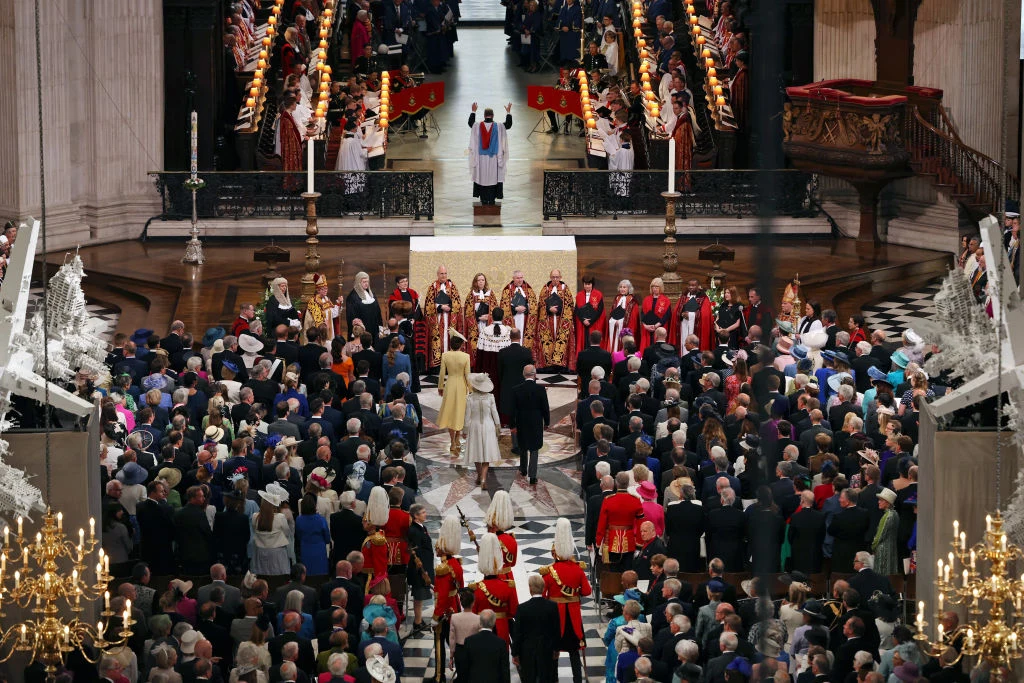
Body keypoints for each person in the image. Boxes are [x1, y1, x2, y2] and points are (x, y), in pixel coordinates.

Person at [541, 518, 593, 683]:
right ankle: (577, 679)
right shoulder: (577, 569)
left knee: (554, 651)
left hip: (555, 617)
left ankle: (554, 679)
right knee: (574, 651)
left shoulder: (549, 572)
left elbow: (543, 596)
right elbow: (586, 591)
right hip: (573, 617)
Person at [430, 516, 465, 682]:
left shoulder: (444, 568)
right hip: (455, 608)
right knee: (456, 643)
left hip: (445, 611)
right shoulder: (456, 564)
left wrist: (436, 616)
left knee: (439, 643)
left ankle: (439, 676)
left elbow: (443, 596)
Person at [468, 535, 518, 647]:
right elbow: (513, 612)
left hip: (482, 631)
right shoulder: (507, 586)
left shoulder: (476, 589)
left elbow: (473, 614)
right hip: (502, 629)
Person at [513, 575, 560, 683]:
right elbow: (556, 630)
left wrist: (515, 653)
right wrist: (556, 649)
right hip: (547, 649)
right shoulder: (552, 606)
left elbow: (518, 634)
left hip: (527, 652)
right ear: (543, 588)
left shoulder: (522, 608)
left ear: (530, 588)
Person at [510, 365, 550, 485]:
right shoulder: (541, 390)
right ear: (535, 374)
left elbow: (513, 410)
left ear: (523, 374)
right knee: (534, 448)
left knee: (523, 445)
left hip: (521, 421)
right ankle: (533, 476)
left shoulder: (516, 389)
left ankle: (523, 470)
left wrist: (512, 425)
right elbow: (545, 408)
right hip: (536, 422)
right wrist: (547, 422)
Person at [468, 103, 513, 205]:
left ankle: (483, 199)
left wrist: (473, 111)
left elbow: (470, 122)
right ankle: (492, 199)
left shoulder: (477, 126)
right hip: (494, 157)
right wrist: (508, 112)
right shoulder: (499, 126)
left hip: (481, 157)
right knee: (493, 177)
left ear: (484, 115)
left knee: (483, 177)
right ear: (493, 115)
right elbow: (509, 124)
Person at [464, 373, 502, 488]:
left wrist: (465, 430)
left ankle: (480, 476)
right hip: (488, 426)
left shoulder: (470, 398)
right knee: (486, 455)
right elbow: (494, 413)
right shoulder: (490, 397)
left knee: (476, 452)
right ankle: (483, 480)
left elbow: (467, 416)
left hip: (474, 427)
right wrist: (498, 426)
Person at [438, 329, 471, 456]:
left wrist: (440, 387)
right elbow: (467, 375)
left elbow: (442, 373)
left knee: (450, 412)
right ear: (461, 345)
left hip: (450, 384)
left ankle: (452, 441)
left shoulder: (445, 355)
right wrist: (471, 389)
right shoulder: (466, 356)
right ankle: (457, 437)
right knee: (459, 412)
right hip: (462, 386)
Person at [534, 269, 576, 371]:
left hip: (561, 321)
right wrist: (549, 309)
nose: (555, 279)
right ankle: (548, 365)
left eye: (557, 277)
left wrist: (559, 310)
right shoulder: (545, 289)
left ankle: (561, 365)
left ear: (561, 277)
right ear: (550, 277)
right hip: (548, 321)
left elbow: (570, 305)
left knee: (561, 341)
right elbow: (540, 305)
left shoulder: (565, 289)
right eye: (553, 277)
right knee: (548, 342)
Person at [425, 266, 463, 371]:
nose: (444, 275)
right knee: (438, 340)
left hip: (450, 318)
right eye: (442, 273)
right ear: (437, 274)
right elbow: (428, 305)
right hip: (437, 318)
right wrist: (440, 307)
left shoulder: (452, 286)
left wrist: (450, 308)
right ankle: (438, 366)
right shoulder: (432, 287)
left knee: (449, 338)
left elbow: (457, 303)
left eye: (445, 273)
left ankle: (450, 364)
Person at [463, 610, 511, 683]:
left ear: (480, 622)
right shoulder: (501, 643)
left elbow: (465, 668)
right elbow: (505, 670)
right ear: (494, 623)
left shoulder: (469, 641)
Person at [463, 273, 499, 366]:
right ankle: (475, 364)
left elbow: (495, 309)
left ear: (485, 281)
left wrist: (489, 317)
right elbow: (468, 312)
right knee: (477, 344)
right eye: (479, 280)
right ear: (475, 282)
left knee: (487, 343)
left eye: (483, 280)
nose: (481, 282)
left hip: (487, 324)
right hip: (476, 324)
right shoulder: (471, 295)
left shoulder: (490, 294)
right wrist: (478, 318)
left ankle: (487, 364)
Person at [499, 271, 538, 352]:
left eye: (521, 278)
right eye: (517, 278)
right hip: (513, 318)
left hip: (525, 319)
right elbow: (503, 306)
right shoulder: (507, 289)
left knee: (524, 337)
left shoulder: (529, 289)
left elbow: (534, 305)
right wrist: (515, 309)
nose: (520, 280)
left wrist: (525, 308)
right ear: (513, 279)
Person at [673, 279, 714, 351]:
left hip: (696, 327)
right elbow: (676, 310)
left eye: (693, 285)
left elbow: (705, 315)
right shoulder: (684, 297)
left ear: (698, 286)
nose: (691, 287)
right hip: (684, 325)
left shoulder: (703, 298)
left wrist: (691, 315)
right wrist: (681, 313)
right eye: (689, 285)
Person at [304, 273, 343, 343]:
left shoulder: (326, 299)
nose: (325, 290)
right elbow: (314, 319)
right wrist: (324, 325)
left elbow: (333, 314)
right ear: (318, 290)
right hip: (319, 331)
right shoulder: (313, 302)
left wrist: (339, 303)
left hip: (329, 330)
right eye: (323, 289)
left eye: (326, 288)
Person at [346, 272, 383, 340]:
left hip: (374, 329)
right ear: (358, 282)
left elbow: (378, 311)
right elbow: (351, 316)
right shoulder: (352, 297)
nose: (366, 284)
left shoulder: (372, 294)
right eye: (364, 282)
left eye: (367, 281)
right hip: (362, 331)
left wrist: (380, 325)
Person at [639, 278, 673, 354]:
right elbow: (642, 314)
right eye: (653, 287)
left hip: (660, 327)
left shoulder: (665, 300)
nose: (654, 289)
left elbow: (667, 315)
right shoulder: (646, 299)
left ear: (661, 287)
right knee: (647, 349)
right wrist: (645, 325)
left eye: (657, 287)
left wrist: (657, 325)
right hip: (647, 328)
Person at [871, 488, 900, 575]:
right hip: (892, 549)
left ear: (887, 502)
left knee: (881, 575)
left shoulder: (887, 516)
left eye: (881, 500)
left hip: (883, 552)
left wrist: (873, 547)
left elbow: (879, 536)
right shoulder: (895, 514)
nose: (878, 502)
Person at [575, 276, 608, 353]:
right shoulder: (579, 295)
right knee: (584, 342)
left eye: (589, 284)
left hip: (594, 323)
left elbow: (600, 310)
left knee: (592, 341)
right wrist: (583, 320)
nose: (587, 286)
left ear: (592, 284)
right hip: (583, 324)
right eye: (585, 284)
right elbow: (577, 310)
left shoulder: (598, 294)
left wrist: (591, 321)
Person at [557, 0, 582, 65]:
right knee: (564, 52)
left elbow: (577, 20)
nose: (569, 0)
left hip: (572, 34)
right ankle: (565, 65)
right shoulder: (563, 8)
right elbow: (559, 19)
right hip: (564, 34)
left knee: (572, 53)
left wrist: (569, 27)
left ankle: (572, 66)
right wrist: (562, 27)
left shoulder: (577, 9)